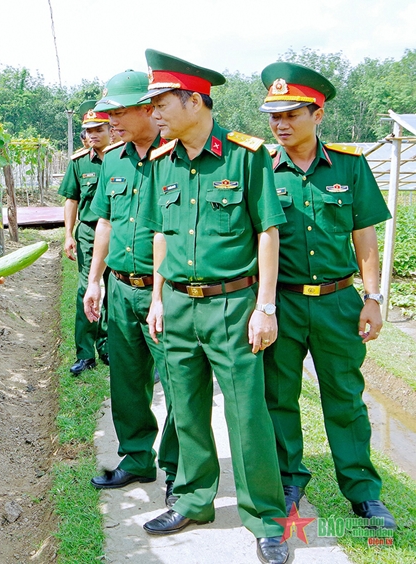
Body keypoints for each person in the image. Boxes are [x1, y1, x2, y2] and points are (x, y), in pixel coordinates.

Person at [140, 50, 290, 564]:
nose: (154, 114)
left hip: (232, 305)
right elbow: (161, 232)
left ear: (195, 101)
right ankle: (193, 499)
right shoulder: (163, 163)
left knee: (248, 415)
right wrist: (158, 298)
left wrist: (264, 306)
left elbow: (267, 231)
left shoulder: (246, 157)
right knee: (185, 409)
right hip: (179, 305)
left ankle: (266, 519)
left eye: (162, 103)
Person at [258, 62, 396, 529]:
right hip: (284, 302)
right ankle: (289, 479)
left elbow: (365, 238)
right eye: (273, 116)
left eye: (291, 114)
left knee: (345, 396)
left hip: (339, 302)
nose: (279, 124)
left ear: (317, 115)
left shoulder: (350, 167)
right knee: (279, 396)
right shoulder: (260, 168)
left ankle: (363, 492)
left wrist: (373, 297)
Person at [83, 71, 179, 503]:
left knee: (180, 382)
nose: (111, 121)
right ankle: (137, 457)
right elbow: (105, 221)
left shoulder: (178, 155)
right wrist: (94, 281)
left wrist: (159, 295)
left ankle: (180, 468)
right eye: (109, 113)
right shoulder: (115, 160)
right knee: (126, 380)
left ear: (148, 108)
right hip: (121, 288)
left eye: (119, 112)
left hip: (169, 293)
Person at [59, 101, 111, 374]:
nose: (92, 135)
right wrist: (69, 234)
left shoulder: (122, 158)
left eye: (98, 129)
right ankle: (84, 353)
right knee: (87, 290)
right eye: (88, 131)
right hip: (90, 234)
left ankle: (108, 347)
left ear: (111, 129)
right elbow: (72, 199)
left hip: (120, 234)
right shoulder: (79, 163)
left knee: (115, 292)